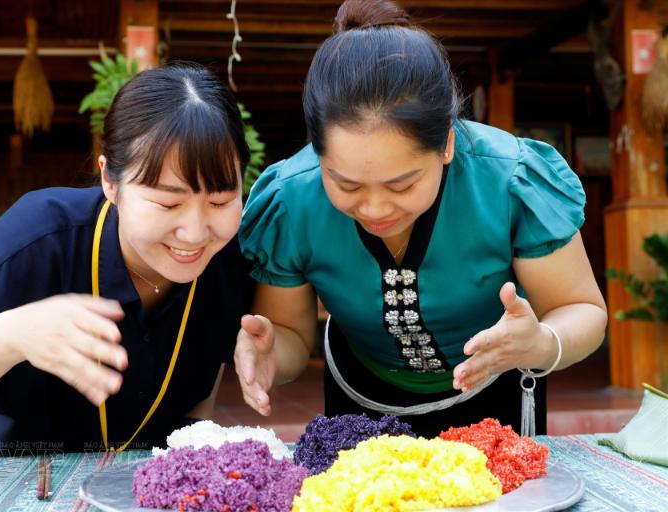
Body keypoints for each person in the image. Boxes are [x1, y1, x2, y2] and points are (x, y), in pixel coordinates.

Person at [234, 0, 607, 438]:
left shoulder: (511, 180)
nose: (375, 209)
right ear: (318, 154)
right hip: (359, 397)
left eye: (402, 185)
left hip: (496, 389)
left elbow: (582, 310)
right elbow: (291, 337)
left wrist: (541, 343)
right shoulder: (291, 199)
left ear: (447, 144)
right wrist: (270, 353)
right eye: (346, 185)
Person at [0, 63, 254, 473]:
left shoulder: (227, 256)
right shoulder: (37, 238)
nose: (195, 233)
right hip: (1, 481)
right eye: (168, 203)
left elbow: (199, 389)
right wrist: (11, 336)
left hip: (137, 484)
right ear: (109, 181)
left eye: (221, 201)